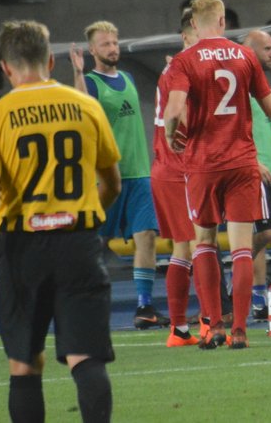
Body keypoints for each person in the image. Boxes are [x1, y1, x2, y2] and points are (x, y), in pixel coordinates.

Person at [0, 20, 122, 423]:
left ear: (6, 68)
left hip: (23, 249)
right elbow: (111, 183)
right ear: (52, 61)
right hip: (78, 242)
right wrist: (88, 219)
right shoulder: (86, 105)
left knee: (24, 364)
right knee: (86, 357)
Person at [162, 0, 271, 350]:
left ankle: (214, 325)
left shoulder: (185, 60)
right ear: (223, 21)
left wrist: (171, 136)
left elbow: (174, 108)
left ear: (194, 24)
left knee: (204, 244)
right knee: (243, 249)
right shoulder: (245, 55)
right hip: (243, 162)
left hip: (203, 164)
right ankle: (241, 329)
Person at [70, 21, 167, 329]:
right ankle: (80, 304)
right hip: (107, 178)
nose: (112, 48)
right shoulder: (91, 82)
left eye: (114, 42)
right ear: (92, 50)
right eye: (105, 44)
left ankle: (144, 306)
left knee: (147, 238)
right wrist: (77, 73)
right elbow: (82, 109)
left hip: (139, 174)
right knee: (94, 246)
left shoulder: (127, 77)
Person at [151, 9, 201, 347]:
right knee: (201, 245)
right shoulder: (181, 69)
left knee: (185, 247)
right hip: (178, 169)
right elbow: (180, 115)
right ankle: (210, 322)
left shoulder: (179, 67)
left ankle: (180, 329)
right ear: (186, 37)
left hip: (173, 169)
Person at [241, 29, 271, 321]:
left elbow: (265, 129)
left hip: (269, 167)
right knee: (264, 234)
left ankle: (258, 297)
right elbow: (241, 130)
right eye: (268, 49)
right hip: (252, 170)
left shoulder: (260, 85)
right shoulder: (241, 86)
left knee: (262, 235)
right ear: (251, 51)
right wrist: (252, 162)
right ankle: (238, 259)